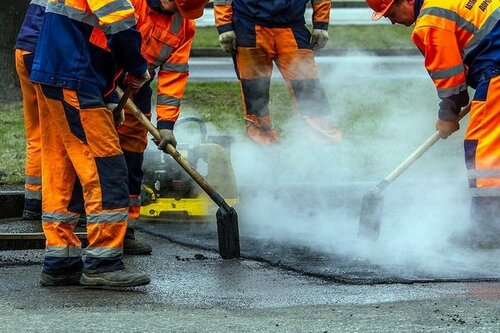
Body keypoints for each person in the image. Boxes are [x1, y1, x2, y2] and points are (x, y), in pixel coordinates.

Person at [29, 0, 152, 287]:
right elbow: (119, 25)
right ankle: (103, 261)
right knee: (105, 167)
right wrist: (137, 67)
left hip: (58, 73)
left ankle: (61, 260)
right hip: (74, 76)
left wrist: (108, 91)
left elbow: (94, 38)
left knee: (65, 169)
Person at [365, 0, 499, 247]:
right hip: (492, 64)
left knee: (481, 150)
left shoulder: (430, 21)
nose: (392, 20)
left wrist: (447, 115)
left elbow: (450, 81)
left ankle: (486, 230)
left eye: (391, 12)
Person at [213, 0, 342, 145]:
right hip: (249, 28)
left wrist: (321, 23)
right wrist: (224, 26)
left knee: (309, 92)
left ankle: (326, 150)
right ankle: (265, 153)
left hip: (291, 27)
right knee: (255, 97)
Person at [14, 0, 47, 221]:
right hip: (45, 53)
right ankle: (57, 206)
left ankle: (33, 203)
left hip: (24, 49)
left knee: (36, 132)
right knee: (57, 136)